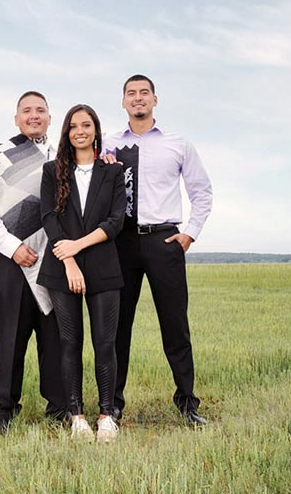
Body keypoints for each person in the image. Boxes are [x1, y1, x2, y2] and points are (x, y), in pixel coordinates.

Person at [102, 74, 213, 426]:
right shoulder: (106, 144)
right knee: (117, 327)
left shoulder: (177, 144)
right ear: (123, 102)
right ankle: (112, 406)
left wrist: (189, 234)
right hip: (120, 243)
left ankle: (187, 404)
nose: (138, 99)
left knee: (175, 325)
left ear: (154, 100)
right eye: (131, 94)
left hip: (164, 241)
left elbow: (202, 192)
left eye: (144, 93)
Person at [0, 91, 67, 434]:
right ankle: (4, 406)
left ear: (50, 117)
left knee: (54, 333)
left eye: (40, 111)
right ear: (16, 118)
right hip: (11, 259)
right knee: (12, 334)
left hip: (54, 257)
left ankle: (60, 405)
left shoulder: (61, 157)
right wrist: (12, 246)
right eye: (27, 111)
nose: (34, 116)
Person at [38, 104, 126, 442]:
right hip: (62, 268)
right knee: (69, 343)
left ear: (95, 130)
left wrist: (79, 246)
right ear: (66, 132)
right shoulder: (52, 171)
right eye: (73, 126)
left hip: (104, 265)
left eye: (86, 125)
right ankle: (76, 415)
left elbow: (116, 220)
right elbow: (49, 218)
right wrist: (70, 259)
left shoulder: (113, 171)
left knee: (105, 344)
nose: (80, 131)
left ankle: (106, 414)